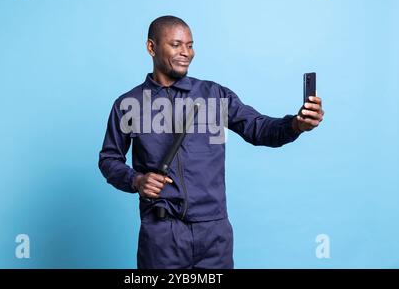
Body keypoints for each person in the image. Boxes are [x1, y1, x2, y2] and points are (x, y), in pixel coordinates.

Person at [98, 15, 324, 269]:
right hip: (162, 236)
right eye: (176, 45)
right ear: (151, 47)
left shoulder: (214, 94)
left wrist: (296, 124)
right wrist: (136, 180)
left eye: (190, 45)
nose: (186, 53)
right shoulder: (128, 104)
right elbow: (109, 159)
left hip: (214, 234)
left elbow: (259, 129)